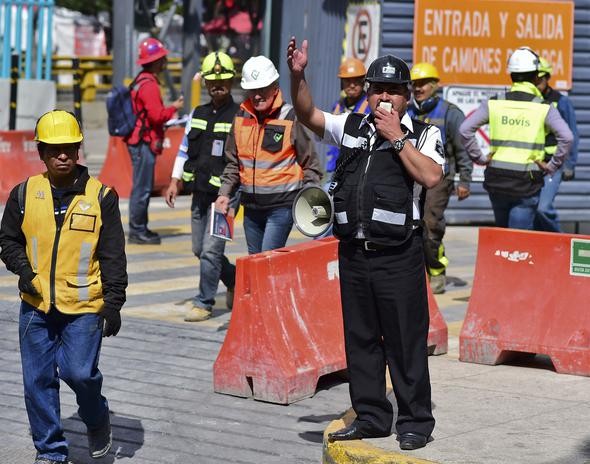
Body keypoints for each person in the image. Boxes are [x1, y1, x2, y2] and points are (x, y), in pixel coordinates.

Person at [288, 37, 444, 451]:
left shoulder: (424, 134)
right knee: (360, 340)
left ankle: (415, 421)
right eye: (378, 89)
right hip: (354, 254)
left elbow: (430, 177)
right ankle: (372, 416)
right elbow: (306, 114)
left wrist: (396, 136)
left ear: (407, 95)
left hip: (399, 256)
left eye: (393, 90)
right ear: (369, 92)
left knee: (405, 342)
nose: (384, 97)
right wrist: (298, 74)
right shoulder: (352, 126)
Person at [0, 110, 127, 463]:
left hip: (84, 307)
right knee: (37, 382)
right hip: (35, 305)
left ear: (78, 149)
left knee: (79, 373)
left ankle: (97, 416)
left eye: (69, 148)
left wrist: (113, 304)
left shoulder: (101, 197)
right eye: (54, 149)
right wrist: (23, 270)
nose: (62, 155)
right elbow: (8, 240)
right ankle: (51, 452)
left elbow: (113, 255)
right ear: (40, 152)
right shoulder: (24, 193)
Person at [215, 55, 321, 254]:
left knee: (268, 258)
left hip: (281, 207)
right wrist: (224, 193)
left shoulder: (290, 117)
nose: (257, 95)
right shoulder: (240, 118)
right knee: (256, 262)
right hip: (251, 209)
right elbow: (233, 163)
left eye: (262, 88)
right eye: (253, 90)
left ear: (274, 87)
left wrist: (309, 196)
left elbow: (310, 162)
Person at [459, 47, 573, 230]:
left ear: (511, 75)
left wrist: (479, 158)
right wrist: (552, 166)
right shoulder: (544, 107)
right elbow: (567, 137)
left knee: (503, 235)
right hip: (526, 183)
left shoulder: (494, 102)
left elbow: (465, 129)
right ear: (536, 77)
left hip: (497, 180)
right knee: (517, 241)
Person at [165, 51, 239, 322]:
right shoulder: (198, 113)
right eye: (211, 80)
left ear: (231, 82)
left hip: (225, 197)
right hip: (199, 193)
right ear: (206, 83)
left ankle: (204, 302)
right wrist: (174, 181)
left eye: (222, 80)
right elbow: (184, 149)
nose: (217, 84)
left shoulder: (240, 115)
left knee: (211, 251)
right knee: (199, 249)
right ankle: (234, 278)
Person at [408, 62, 472, 294]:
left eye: (423, 83)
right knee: (407, 224)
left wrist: (464, 181)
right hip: (410, 175)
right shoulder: (407, 110)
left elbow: (462, 149)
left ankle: (436, 271)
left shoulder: (450, 113)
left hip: (438, 178)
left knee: (429, 224)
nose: (418, 88)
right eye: (414, 84)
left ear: (435, 85)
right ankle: (415, 270)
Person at [125, 37, 184, 245]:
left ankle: (140, 227)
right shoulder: (149, 85)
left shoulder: (141, 80)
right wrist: (174, 107)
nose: (164, 62)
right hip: (143, 143)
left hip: (139, 141)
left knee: (142, 187)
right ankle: (137, 230)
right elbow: (156, 115)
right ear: (156, 61)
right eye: (162, 59)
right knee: (142, 188)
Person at [533, 57, 579, 232]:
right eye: (534, 78)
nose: (538, 83)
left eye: (541, 78)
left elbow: (572, 134)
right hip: (531, 164)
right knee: (531, 209)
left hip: (553, 164)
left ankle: (559, 241)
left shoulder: (561, 102)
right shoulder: (529, 102)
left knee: (542, 208)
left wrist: (570, 164)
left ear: (547, 78)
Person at [325, 57, 371, 175]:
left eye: (356, 81)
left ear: (363, 82)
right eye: (347, 80)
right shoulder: (337, 107)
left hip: (359, 170)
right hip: (335, 169)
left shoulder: (370, 107)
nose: (351, 85)